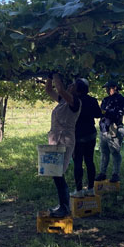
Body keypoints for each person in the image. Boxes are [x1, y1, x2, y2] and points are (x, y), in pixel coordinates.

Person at [45, 73, 81, 217]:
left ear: (78, 91)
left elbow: (60, 89)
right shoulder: (63, 101)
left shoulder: (75, 102)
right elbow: (49, 90)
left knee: (58, 173)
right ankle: (63, 205)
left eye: (73, 85)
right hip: (56, 139)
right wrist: (48, 77)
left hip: (65, 140)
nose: (70, 85)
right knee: (55, 173)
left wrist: (55, 73)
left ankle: (65, 207)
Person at [70, 78, 102, 198]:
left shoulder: (73, 100)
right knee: (89, 161)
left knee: (78, 162)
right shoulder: (92, 100)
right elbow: (98, 114)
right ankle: (91, 188)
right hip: (90, 134)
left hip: (77, 135)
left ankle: (79, 190)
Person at [95, 80, 124, 183]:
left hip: (114, 128)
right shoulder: (105, 100)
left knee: (115, 152)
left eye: (108, 88)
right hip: (104, 129)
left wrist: (105, 112)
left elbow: (117, 114)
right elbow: (100, 112)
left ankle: (115, 174)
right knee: (104, 152)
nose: (107, 90)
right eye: (106, 88)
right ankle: (102, 173)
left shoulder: (121, 100)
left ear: (115, 88)